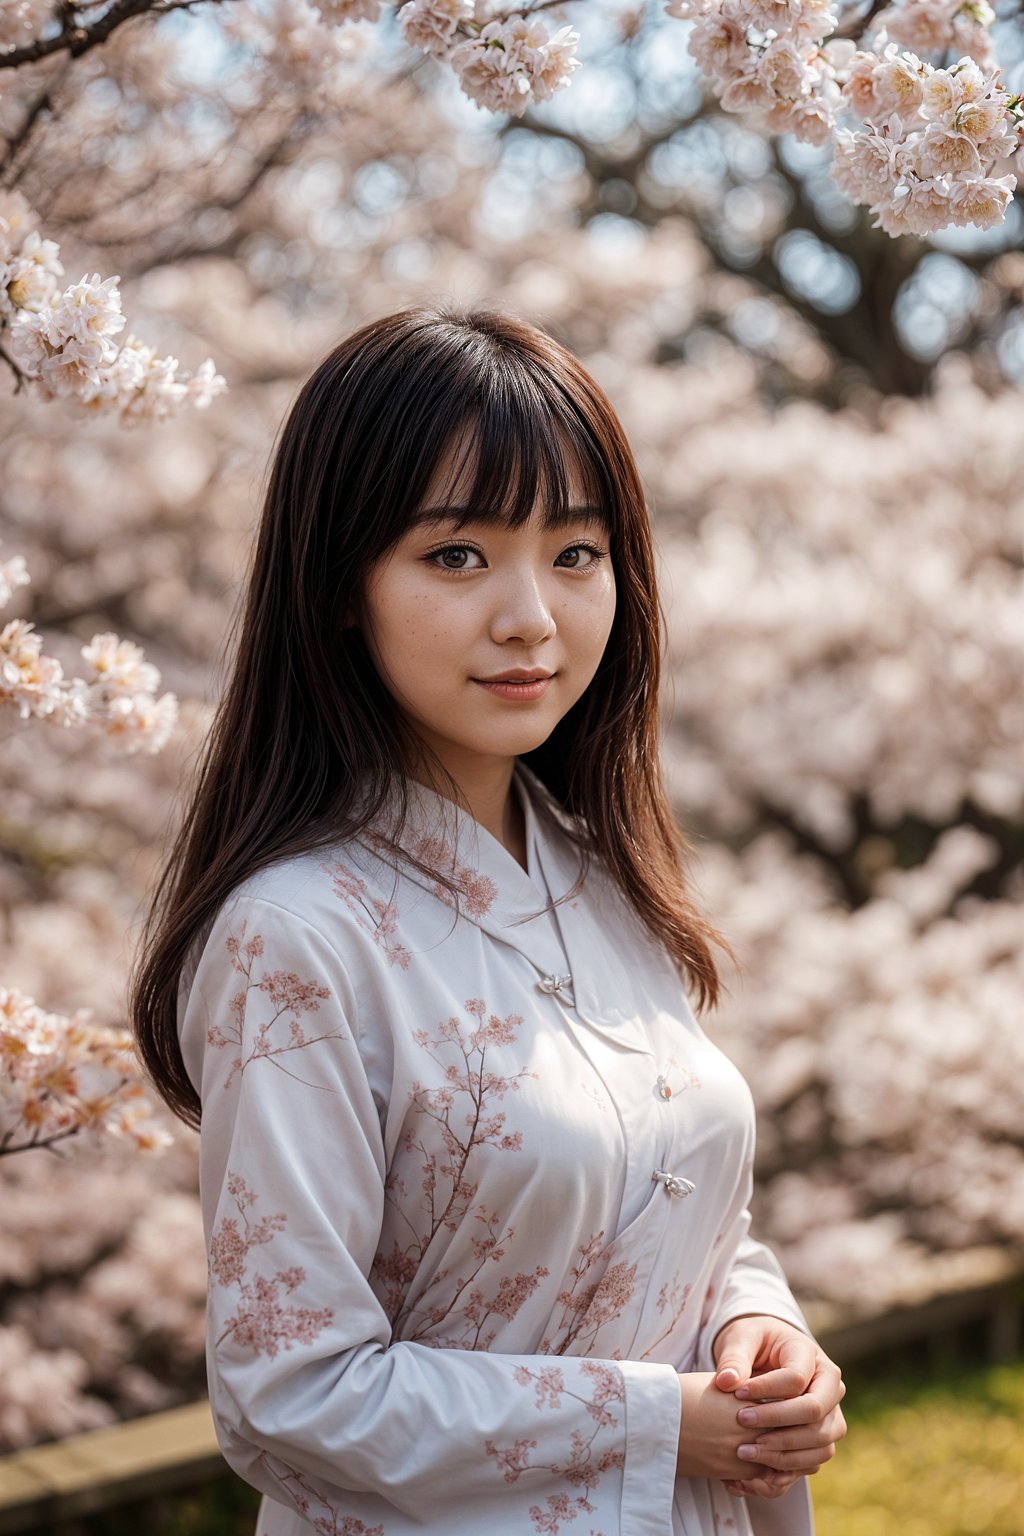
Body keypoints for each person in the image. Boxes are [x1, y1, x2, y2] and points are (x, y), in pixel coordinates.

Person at [130, 304, 847, 1536]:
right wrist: (660, 1420)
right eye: (457, 555)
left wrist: (758, 1327)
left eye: (575, 554)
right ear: (339, 586)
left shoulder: (604, 877)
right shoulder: (297, 937)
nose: (532, 616)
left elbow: (659, 1210)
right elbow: (289, 1395)